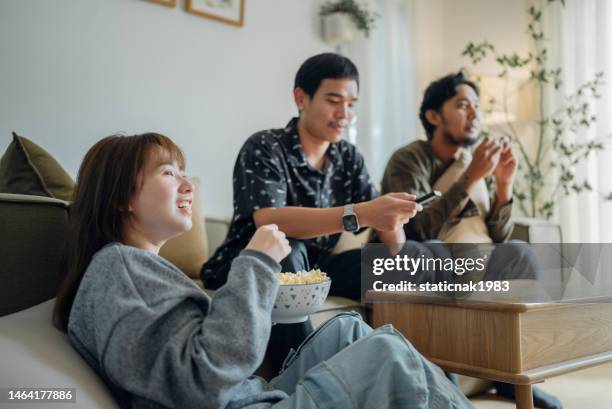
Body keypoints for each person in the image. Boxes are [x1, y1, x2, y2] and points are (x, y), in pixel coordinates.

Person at [52, 133, 474, 409]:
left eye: (184, 173)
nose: (188, 186)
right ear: (122, 198)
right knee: (386, 357)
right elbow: (204, 379)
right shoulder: (118, 267)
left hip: (255, 394)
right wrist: (256, 262)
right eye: (168, 173)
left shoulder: (138, 269)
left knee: (349, 330)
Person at [201, 53, 421, 372]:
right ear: (301, 98)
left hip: (318, 268)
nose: (344, 113)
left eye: (351, 103)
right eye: (334, 100)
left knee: (410, 260)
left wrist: (391, 218)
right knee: (289, 249)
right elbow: (269, 219)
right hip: (253, 261)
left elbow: (390, 245)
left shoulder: (347, 157)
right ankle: (304, 381)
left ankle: (416, 370)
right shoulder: (265, 146)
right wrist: (360, 212)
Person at [379, 72, 562, 409]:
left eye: (477, 106)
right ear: (434, 116)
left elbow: (498, 237)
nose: (475, 114)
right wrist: (470, 177)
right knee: (434, 253)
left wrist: (504, 186)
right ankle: (442, 381)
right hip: (428, 262)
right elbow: (417, 232)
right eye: (463, 105)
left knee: (520, 254)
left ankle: (511, 376)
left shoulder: (479, 161)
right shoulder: (409, 160)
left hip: (473, 262)